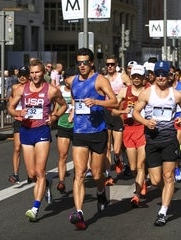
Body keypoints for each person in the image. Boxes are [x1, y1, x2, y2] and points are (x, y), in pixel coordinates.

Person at [7, 59, 67, 222]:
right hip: (26, 130)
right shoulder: (21, 89)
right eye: (32, 73)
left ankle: (35, 208)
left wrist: (54, 117)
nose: (34, 76)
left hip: (42, 131)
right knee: (32, 174)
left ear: (43, 73)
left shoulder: (51, 90)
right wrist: (18, 114)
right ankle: (46, 183)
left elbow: (63, 106)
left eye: (37, 72)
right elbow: (10, 107)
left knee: (40, 171)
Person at [66, 48, 118, 230]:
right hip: (80, 132)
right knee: (79, 174)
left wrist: (97, 102)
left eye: (85, 62)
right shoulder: (73, 81)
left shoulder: (99, 80)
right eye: (78, 63)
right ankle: (79, 212)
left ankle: (101, 191)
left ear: (92, 63)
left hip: (97, 132)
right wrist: (73, 110)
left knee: (96, 174)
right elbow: (74, 98)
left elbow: (114, 101)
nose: (81, 66)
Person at [132, 60, 181, 226]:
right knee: (156, 181)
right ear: (154, 75)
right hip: (152, 140)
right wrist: (145, 122)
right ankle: (167, 191)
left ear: (169, 76)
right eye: (158, 74)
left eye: (164, 74)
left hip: (169, 139)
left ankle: (163, 211)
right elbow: (135, 112)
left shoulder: (176, 94)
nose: (161, 77)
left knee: (168, 176)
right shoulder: (146, 93)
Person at [111, 64, 148, 207]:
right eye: (134, 76)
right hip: (128, 130)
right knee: (133, 167)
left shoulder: (148, 92)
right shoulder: (123, 92)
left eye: (139, 76)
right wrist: (123, 111)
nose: (136, 79)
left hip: (143, 129)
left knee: (140, 165)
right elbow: (113, 111)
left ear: (143, 77)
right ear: (131, 77)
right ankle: (142, 180)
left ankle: (137, 195)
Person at [104, 55, 131, 184]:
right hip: (106, 113)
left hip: (119, 113)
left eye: (112, 64)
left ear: (116, 65)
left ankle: (118, 158)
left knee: (117, 148)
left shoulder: (122, 77)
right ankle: (108, 174)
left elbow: (132, 90)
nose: (110, 66)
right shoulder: (103, 79)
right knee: (107, 146)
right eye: (108, 64)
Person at [55, 67, 78, 193]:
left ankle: (77, 179)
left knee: (76, 157)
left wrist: (73, 112)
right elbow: (56, 105)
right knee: (63, 155)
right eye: (71, 79)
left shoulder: (78, 90)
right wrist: (54, 115)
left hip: (77, 126)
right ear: (65, 80)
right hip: (63, 124)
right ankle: (61, 181)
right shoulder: (60, 90)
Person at [8, 66, 30, 184]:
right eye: (20, 75)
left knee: (28, 148)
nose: (22, 77)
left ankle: (31, 173)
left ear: (28, 76)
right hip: (18, 119)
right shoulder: (15, 87)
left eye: (24, 75)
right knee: (17, 147)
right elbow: (11, 102)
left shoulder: (32, 87)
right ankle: (15, 174)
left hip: (31, 120)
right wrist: (14, 111)